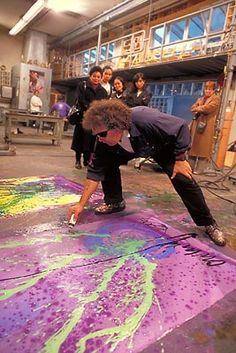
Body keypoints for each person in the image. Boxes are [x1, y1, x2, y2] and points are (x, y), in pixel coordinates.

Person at [68, 99, 226, 247]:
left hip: (161, 146)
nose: (99, 139)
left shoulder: (145, 118)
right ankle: (115, 201)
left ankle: (208, 223)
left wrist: (180, 159)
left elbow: (180, 126)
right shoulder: (103, 141)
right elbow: (94, 172)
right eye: (95, 135)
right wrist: (81, 205)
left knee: (183, 178)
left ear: (116, 126)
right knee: (106, 163)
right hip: (132, 147)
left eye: (101, 134)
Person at [71, 66, 107, 169]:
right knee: (79, 139)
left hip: (94, 120)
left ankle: (87, 160)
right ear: (90, 76)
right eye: (94, 76)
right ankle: (77, 160)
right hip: (83, 117)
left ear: (101, 78)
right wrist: (90, 108)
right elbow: (80, 99)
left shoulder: (103, 91)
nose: (96, 78)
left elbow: (103, 105)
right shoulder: (82, 85)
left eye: (98, 77)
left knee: (91, 141)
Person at [188, 81, 220, 172]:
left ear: (213, 90)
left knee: (203, 149)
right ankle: (190, 168)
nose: (207, 91)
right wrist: (198, 107)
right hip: (197, 124)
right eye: (206, 89)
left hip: (207, 125)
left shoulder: (216, 99)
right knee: (193, 146)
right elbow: (192, 108)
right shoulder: (200, 99)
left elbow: (208, 108)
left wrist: (198, 108)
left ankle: (200, 169)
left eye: (210, 89)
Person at [124, 72, 153, 168]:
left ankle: (139, 157)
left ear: (144, 81)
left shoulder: (147, 93)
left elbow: (144, 104)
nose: (138, 83)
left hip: (141, 117)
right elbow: (128, 104)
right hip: (131, 117)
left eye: (140, 81)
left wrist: (135, 104)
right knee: (129, 137)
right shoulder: (130, 93)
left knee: (140, 138)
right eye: (136, 81)